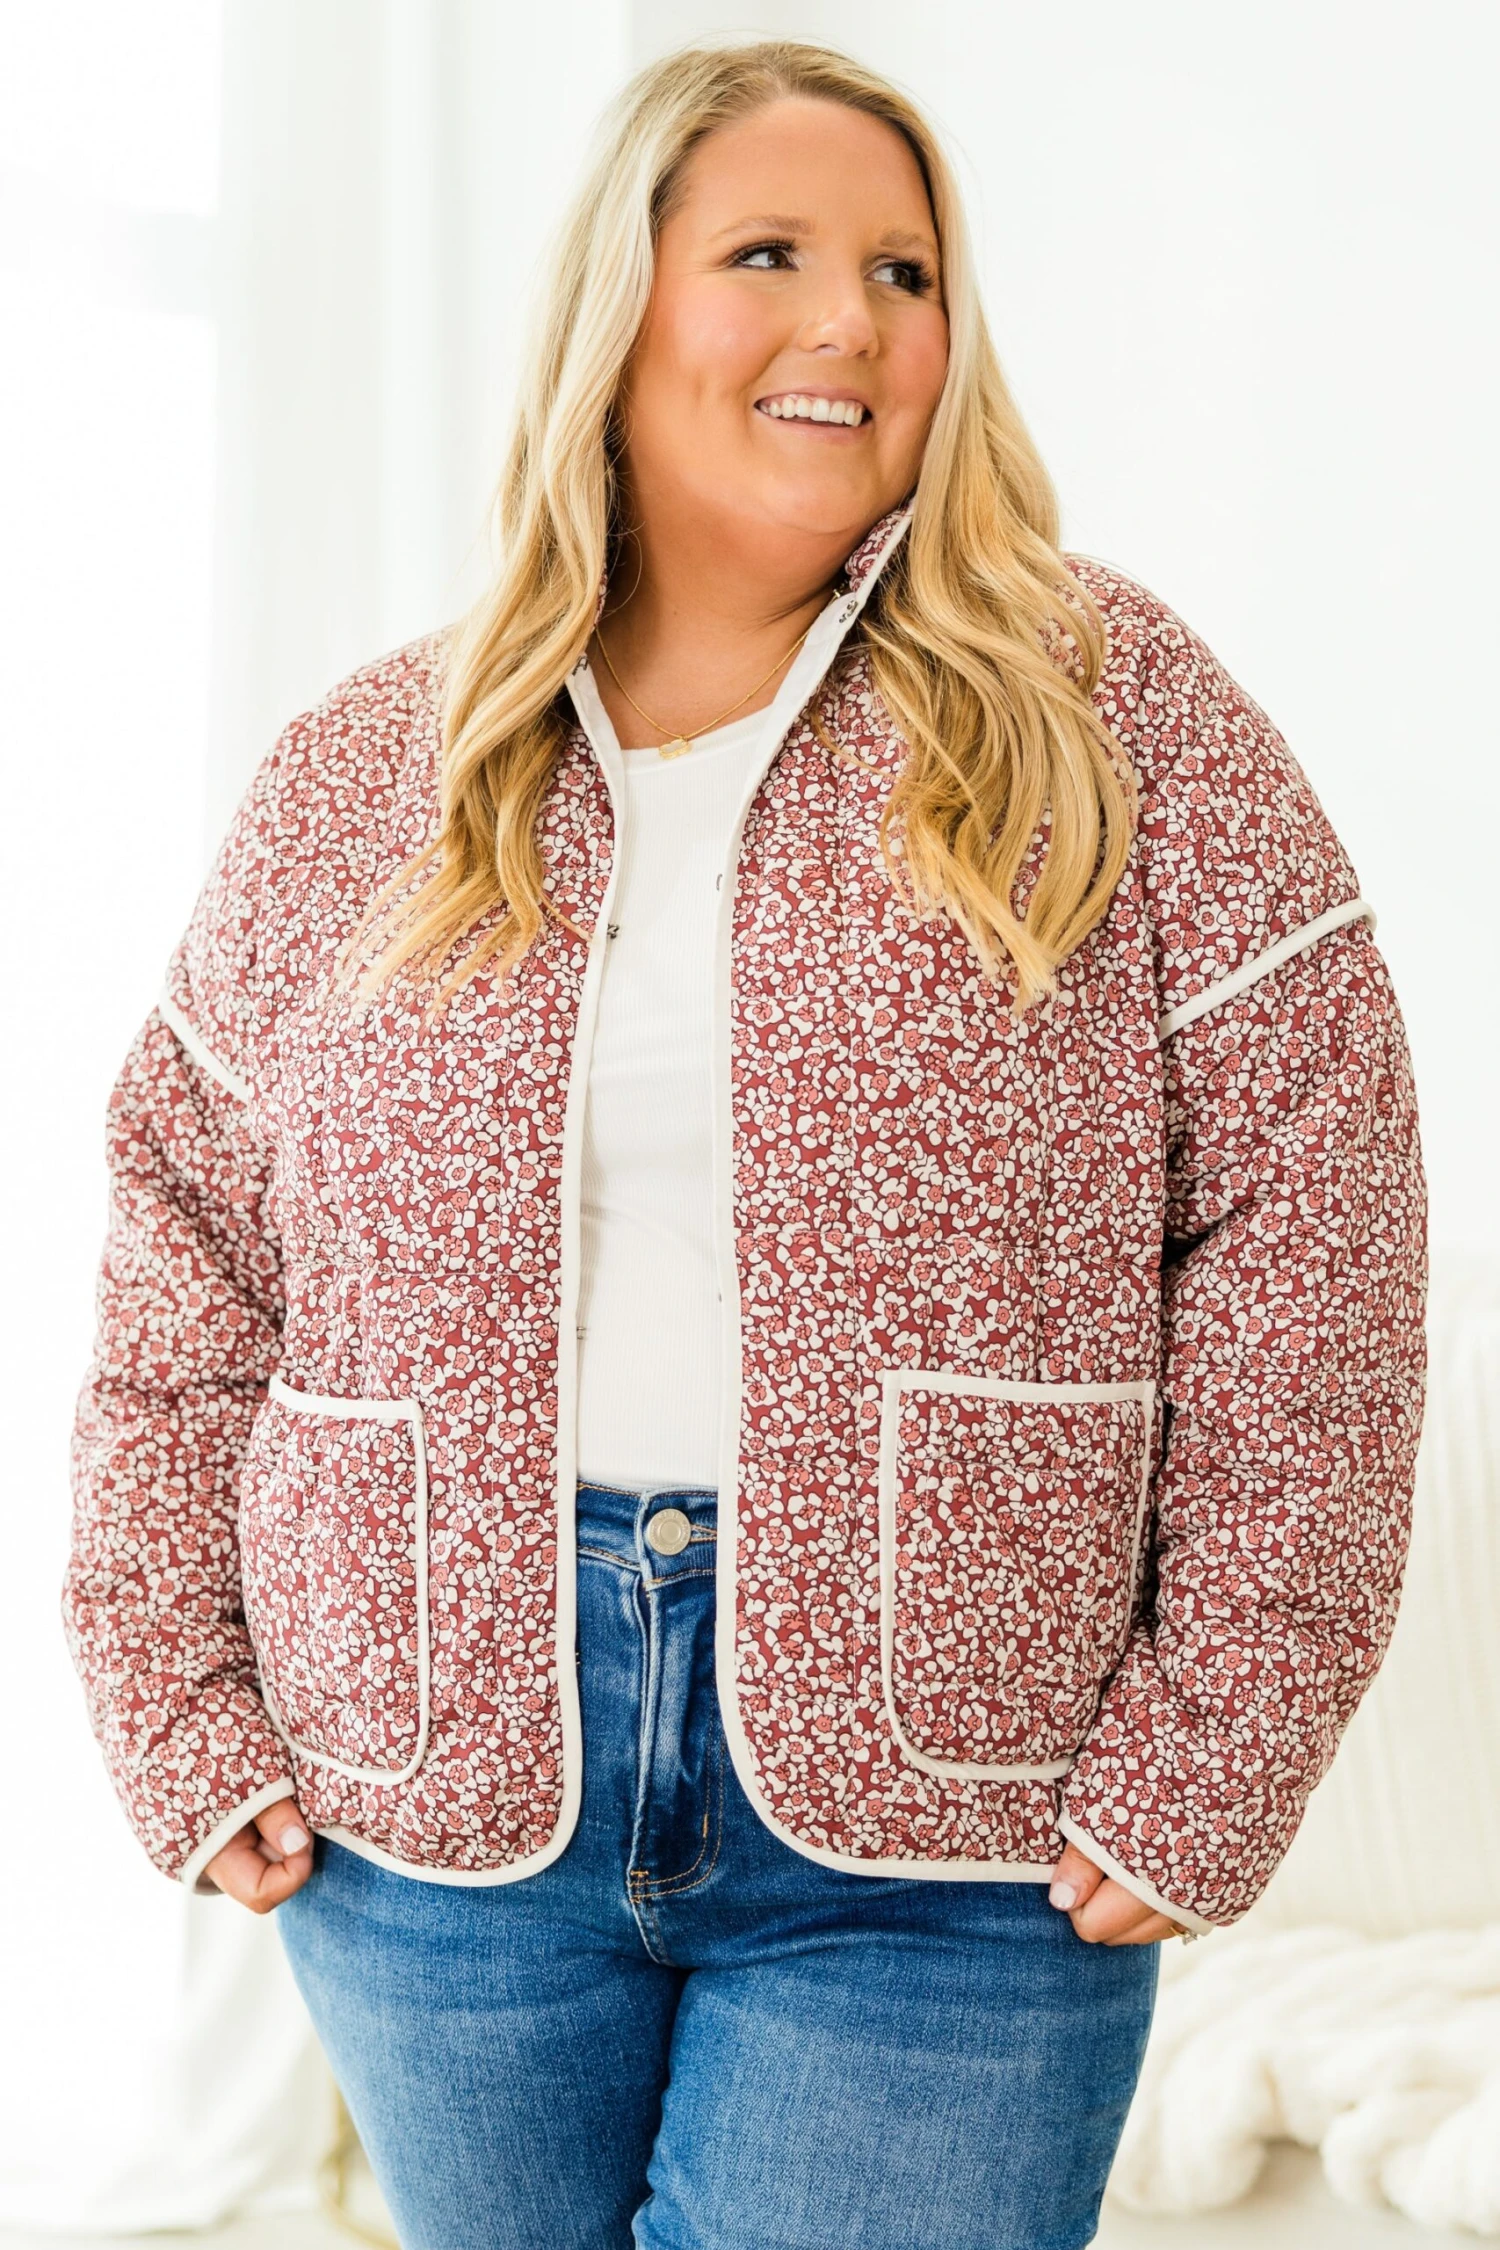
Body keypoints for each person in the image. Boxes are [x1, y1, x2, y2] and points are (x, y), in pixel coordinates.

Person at [63, 37, 1428, 2250]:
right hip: (433, 1791)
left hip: (954, 1819)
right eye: (770, 254)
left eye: (905, 271)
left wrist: (1225, 1729)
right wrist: (171, 1695)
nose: (849, 322)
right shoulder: (372, 770)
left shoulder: (1115, 718)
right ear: (621, 309)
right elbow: (186, 1248)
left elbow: (1317, 1221)